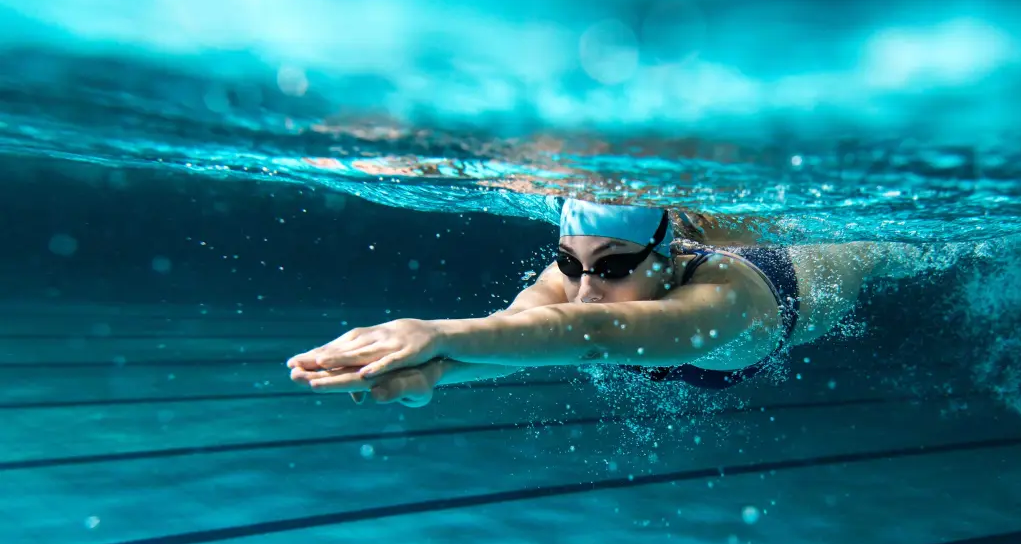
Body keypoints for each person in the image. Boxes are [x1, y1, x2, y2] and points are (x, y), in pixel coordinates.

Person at [287, 197, 905, 406]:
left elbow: (593, 334)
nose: (584, 289)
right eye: (569, 263)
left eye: (611, 267)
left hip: (808, 278)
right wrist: (432, 375)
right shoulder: (579, 283)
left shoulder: (724, 301)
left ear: (667, 258)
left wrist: (432, 332)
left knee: (883, 247)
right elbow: (514, 334)